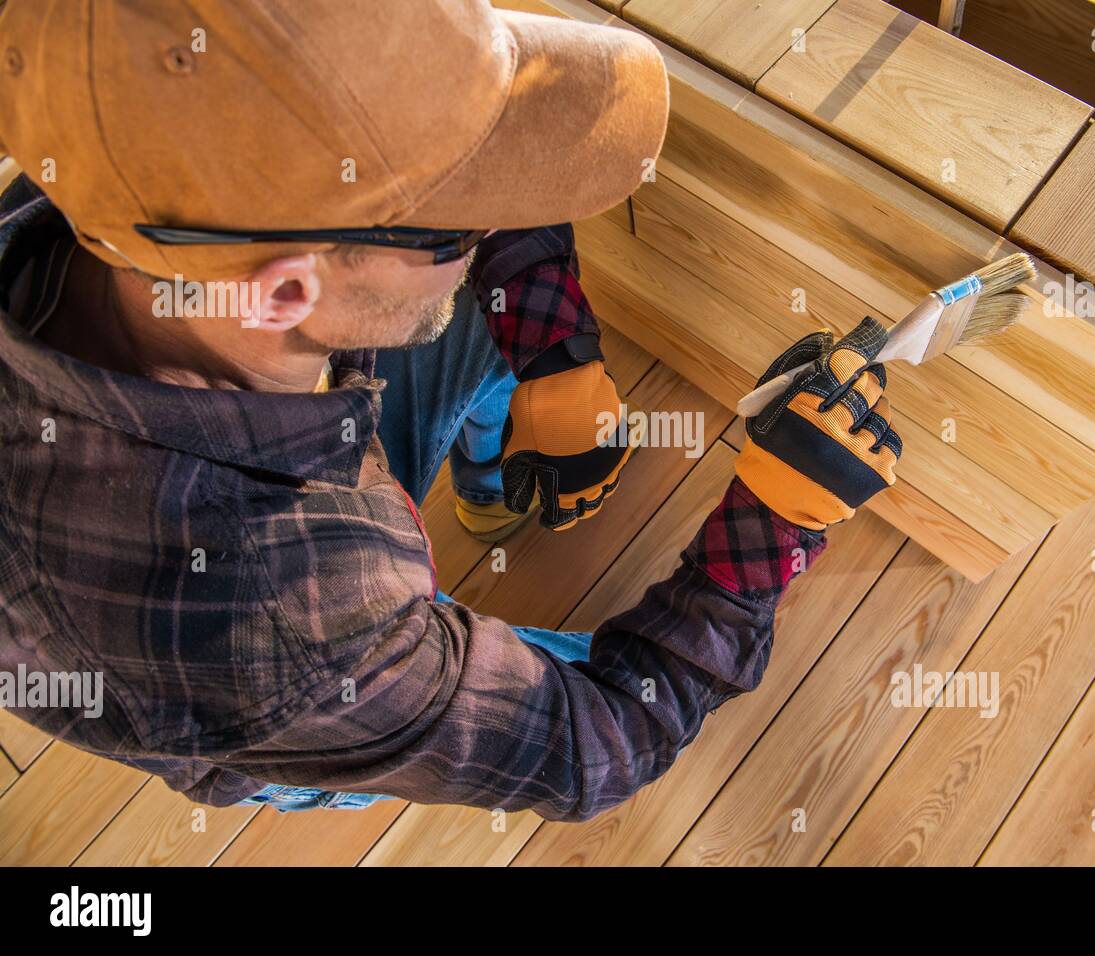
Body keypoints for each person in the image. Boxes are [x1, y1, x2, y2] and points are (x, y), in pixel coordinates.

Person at [0, 0, 900, 819]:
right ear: (283, 294)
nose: (496, 222)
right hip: (295, 707)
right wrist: (773, 524)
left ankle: (486, 490)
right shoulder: (291, 635)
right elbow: (597, 745)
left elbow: (425, 166)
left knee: (449, 300)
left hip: (291, 506)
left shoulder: (120, 159)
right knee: (597, 686)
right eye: (462, 220)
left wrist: (555, 355)